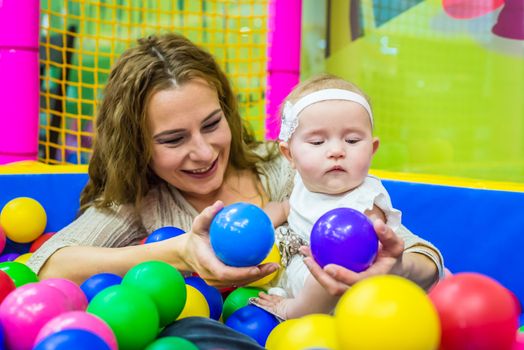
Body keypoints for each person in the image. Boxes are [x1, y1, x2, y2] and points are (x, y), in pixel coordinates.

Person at [25, 33, 440, 348]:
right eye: (173, 140)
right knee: (191, 331)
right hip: (232, 334)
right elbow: (47, 266)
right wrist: (181, 251)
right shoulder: (144, 199)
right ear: (139, 148)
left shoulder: (291, 166)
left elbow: (416, 250)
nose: (203, 152)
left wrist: (398, 268)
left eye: (211, 124)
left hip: (329, 333)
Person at [253, 74, 444, 320]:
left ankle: (291, 310)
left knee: (333, 265)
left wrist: (293, 308)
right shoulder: (304, 182)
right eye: (318, 141)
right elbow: (285, 207)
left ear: (372, 149)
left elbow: (345, 267)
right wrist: (259, 224)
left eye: (352, 140)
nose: (336, 151)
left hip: (336, 292)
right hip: (298, 271)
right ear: (289, 155)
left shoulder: (364, 204)